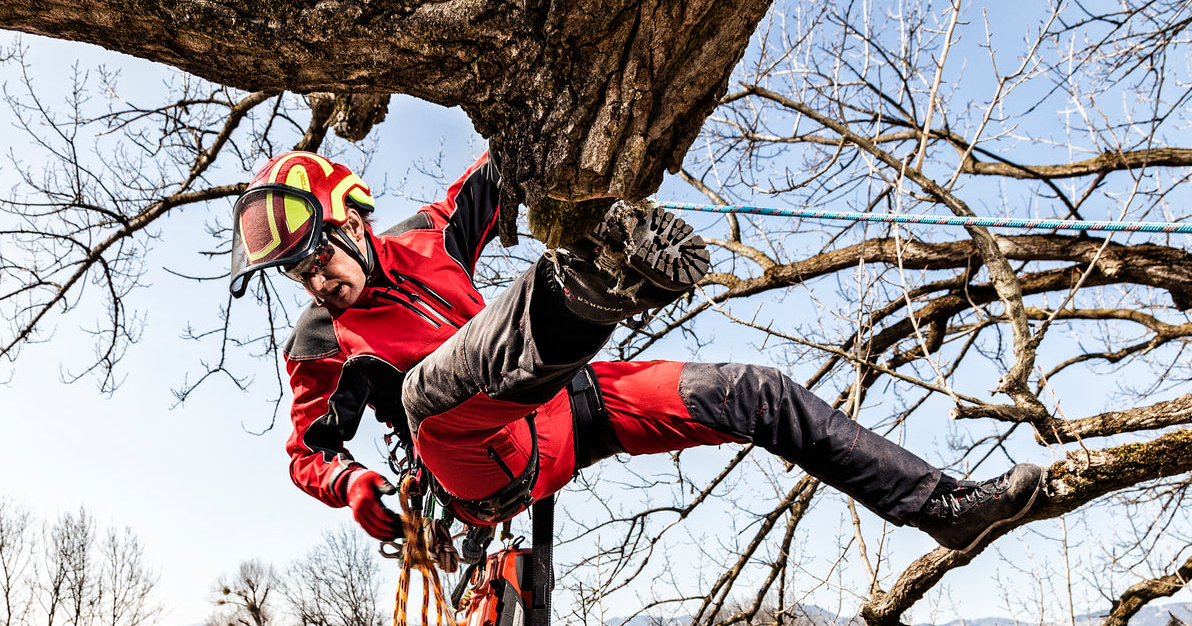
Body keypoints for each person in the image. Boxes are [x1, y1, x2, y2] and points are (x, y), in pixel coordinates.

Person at [228, 150, 1044, 557]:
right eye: (296, 273)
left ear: (352, 220)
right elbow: (307, 452)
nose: (316, 281)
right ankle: (589, 282)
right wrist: (356, 485)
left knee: (755, 390)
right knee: (429, 391)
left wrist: (557, 134)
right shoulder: (319, 342)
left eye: (319, 257)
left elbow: (509, 161)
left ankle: (941, 510)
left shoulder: (430, 234)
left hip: (572, 407)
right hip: (475, 458)